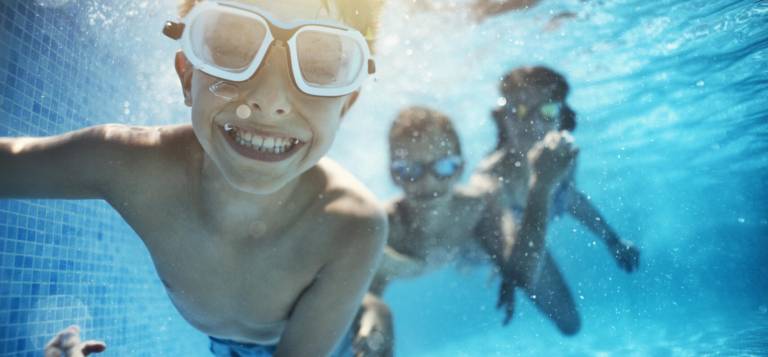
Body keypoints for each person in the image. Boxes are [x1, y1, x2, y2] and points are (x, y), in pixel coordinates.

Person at [2, 1, 387, 356]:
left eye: (320, 65)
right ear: (188, 76)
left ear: (347, 103)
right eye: (233, 48)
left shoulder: (351, 225)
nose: (270, 101)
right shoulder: (131, 166)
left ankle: (370, 307)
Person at [351, 106, 569, 355]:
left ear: (461, 167)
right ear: (393, 175)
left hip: (476, 248)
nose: (428, 183)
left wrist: (541, 187)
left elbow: (522, 274)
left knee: (570, 323)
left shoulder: (478, 205)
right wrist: (375, 319)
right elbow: (360, 297)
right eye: (410, 170)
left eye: (443, 166)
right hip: (456, 250)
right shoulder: (384, 230)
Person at [471, 66, 640, 335]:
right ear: (504, 117)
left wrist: (613, 241)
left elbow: (571, 199)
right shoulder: (492, 176)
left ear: (560, 117)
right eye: (521, 110)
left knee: (571, 324)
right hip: (490, 249)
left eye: (547, 111)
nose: (534, 123)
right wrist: (508, 272)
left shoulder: (561, 153)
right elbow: (500, 240)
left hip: (527, 241)